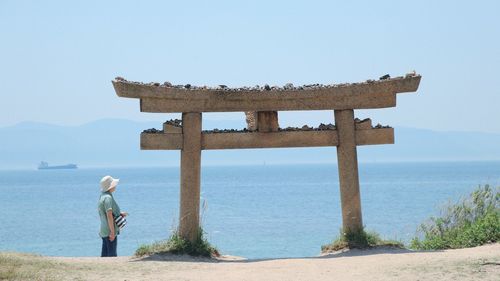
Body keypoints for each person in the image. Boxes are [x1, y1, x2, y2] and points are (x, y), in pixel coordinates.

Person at [98, 175, 127, 257]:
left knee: (104, 255)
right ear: (110, 186)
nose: (116, 185)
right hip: (109, 230)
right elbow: (109, 215)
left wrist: (119, 213)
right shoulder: (108, 198)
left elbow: (105, 212)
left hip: (104, 229)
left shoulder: (103, 196)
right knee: (112, 255)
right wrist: (112, 232)